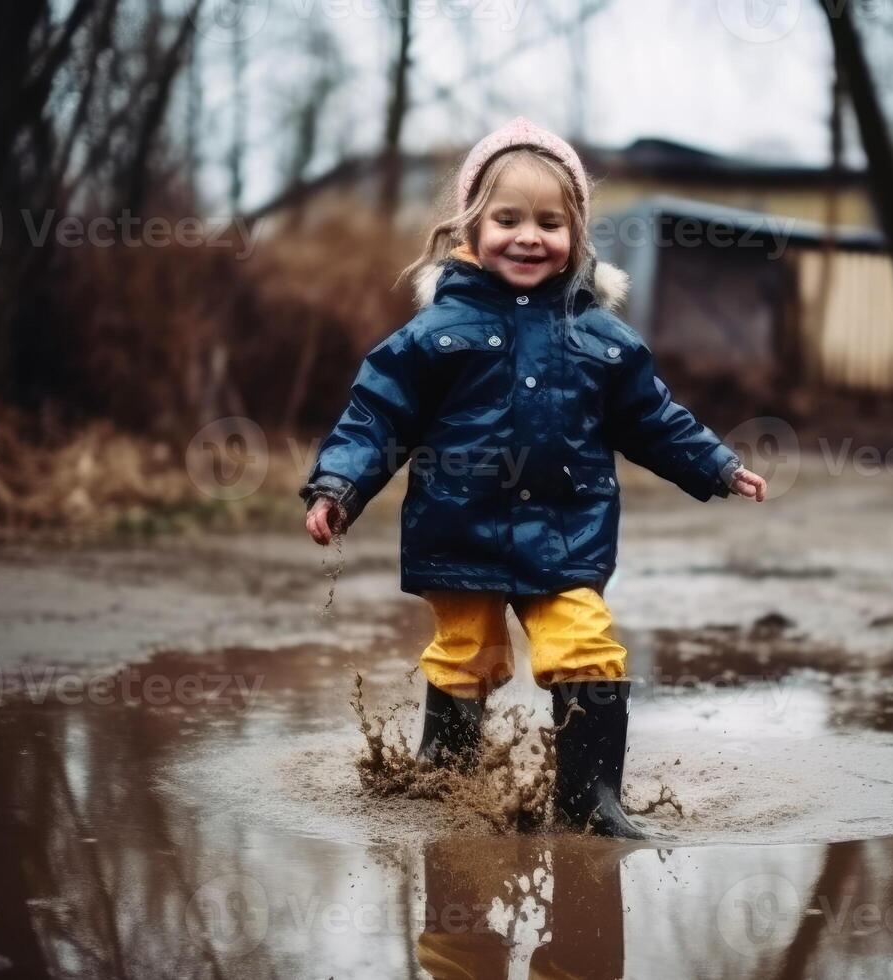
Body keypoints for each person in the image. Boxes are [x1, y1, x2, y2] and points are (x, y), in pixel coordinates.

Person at [302, 116, 768, 838]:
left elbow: (652, 417)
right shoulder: (435, 334)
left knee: (587, 647)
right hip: (458, 531)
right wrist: (339, 485)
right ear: (470, 227)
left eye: (550, 222)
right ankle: (444, 773)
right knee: (468, 653)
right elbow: (377, 415)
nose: (528, 236)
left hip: (563, 533)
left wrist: (715, 463)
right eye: (507, 218)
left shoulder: (599, 337)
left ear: (576, 235)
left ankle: (590, 800)